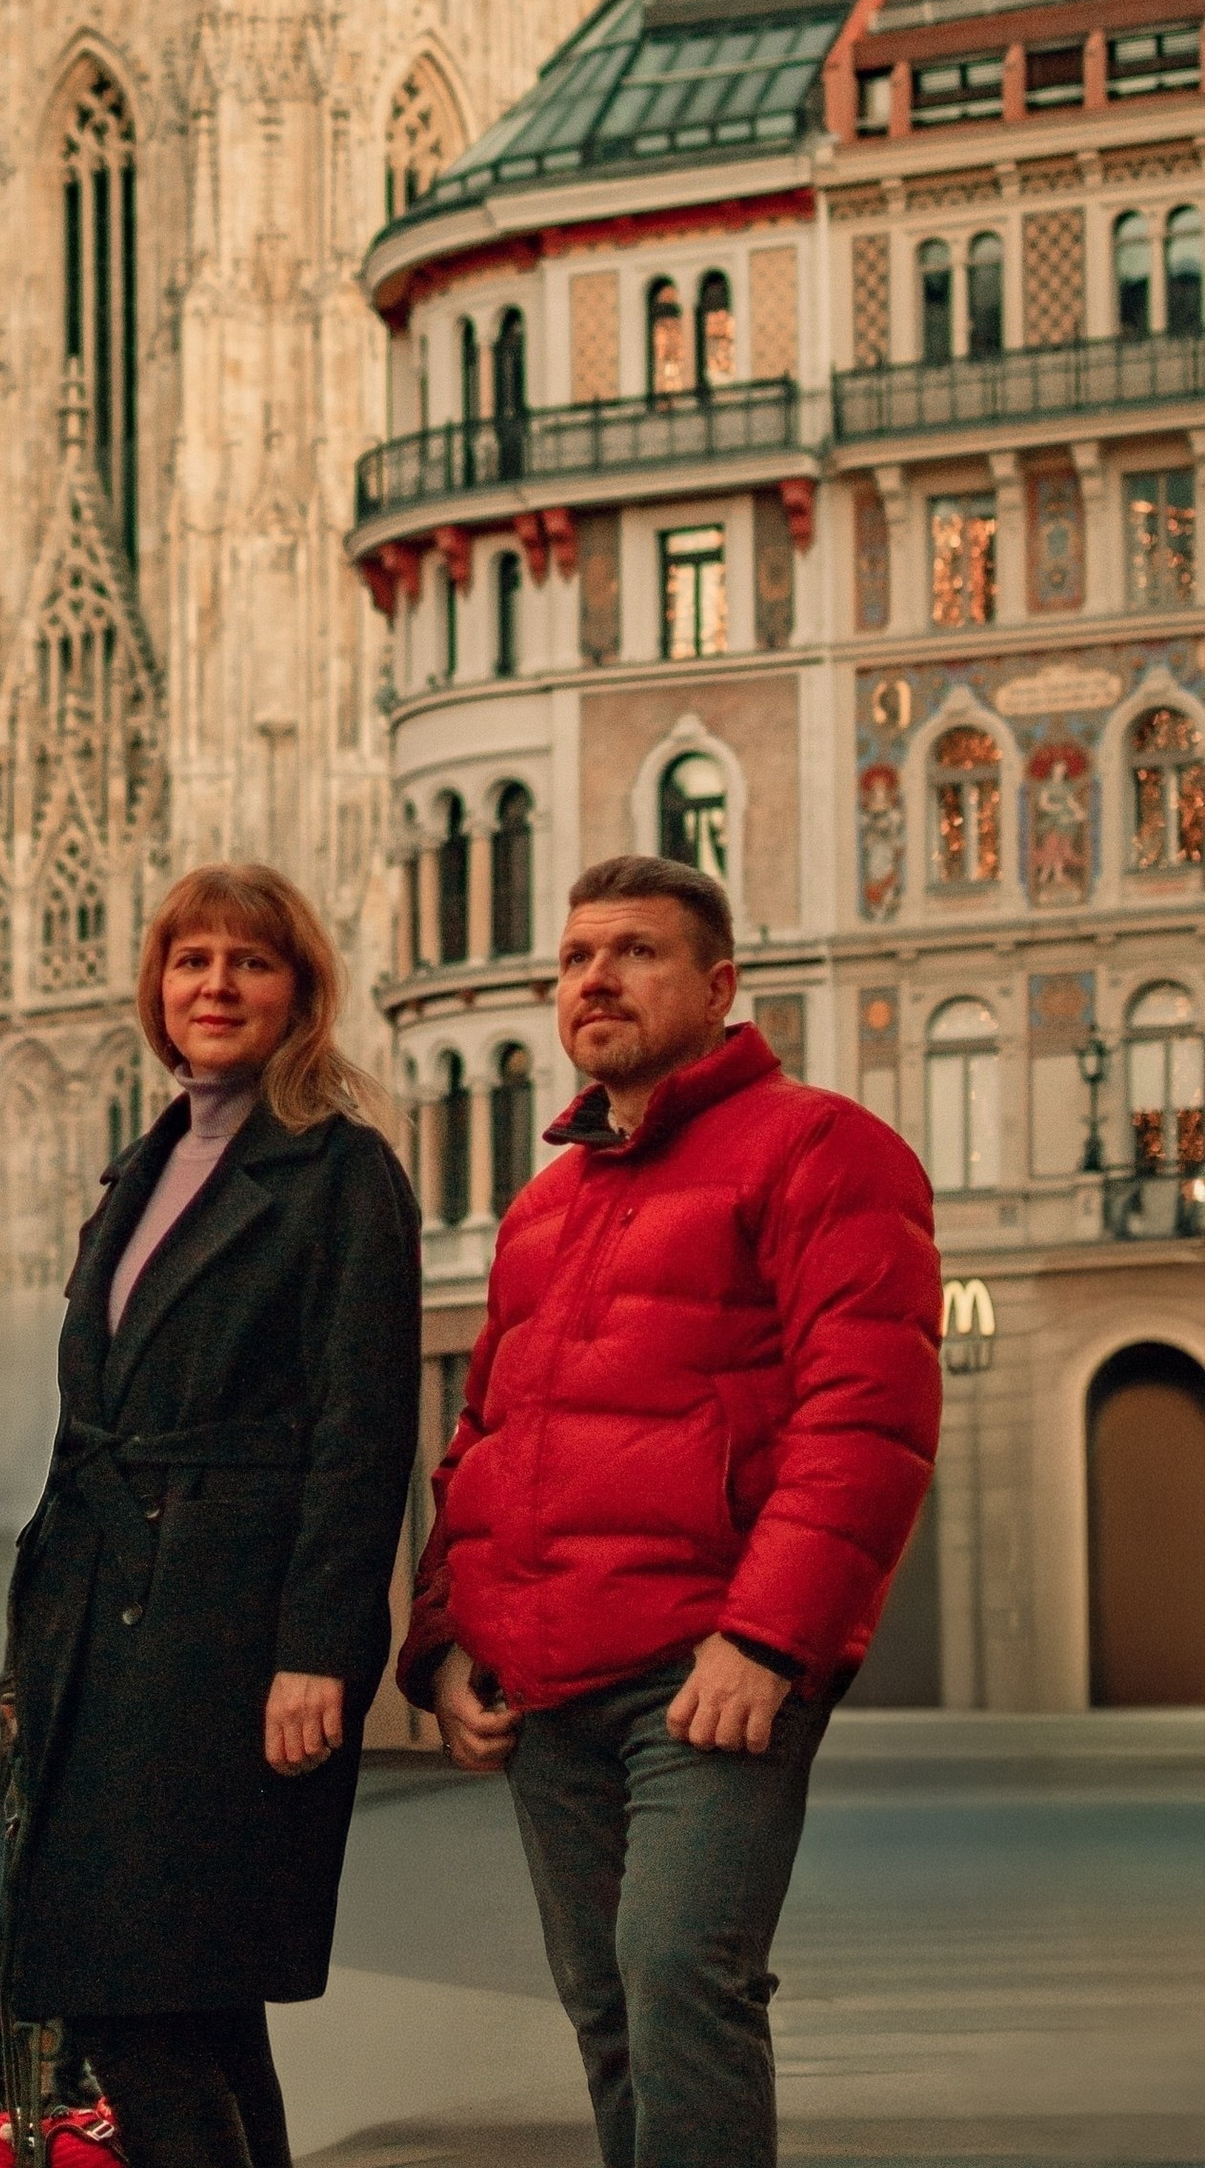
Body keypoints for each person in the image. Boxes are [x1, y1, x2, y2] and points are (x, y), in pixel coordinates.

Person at [401, 852, 942, 2168]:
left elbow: (868, 1414)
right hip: (542, 1687)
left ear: (718, 986)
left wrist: (768, 1638)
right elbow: (484, 1441)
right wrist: (449, 1642)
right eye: (576, 958)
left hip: (701, 1671)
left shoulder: (821, 1148)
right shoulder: (543, 1209)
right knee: (608, 2014)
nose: (596, 978)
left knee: (679, 1982)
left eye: (635, 952)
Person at [3, 864, 422, 2168]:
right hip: (105, 1625)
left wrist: (319, 1649)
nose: (217, 986)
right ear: (158, 988)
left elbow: (363, 1438)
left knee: (142, 1989)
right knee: (193, 2004)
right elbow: (85, 1432)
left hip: (225, 1631)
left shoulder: (338, 1174)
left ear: (298, 991)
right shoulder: (139, 1170)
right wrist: (37, 1646)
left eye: (250, 962)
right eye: (193, 961)